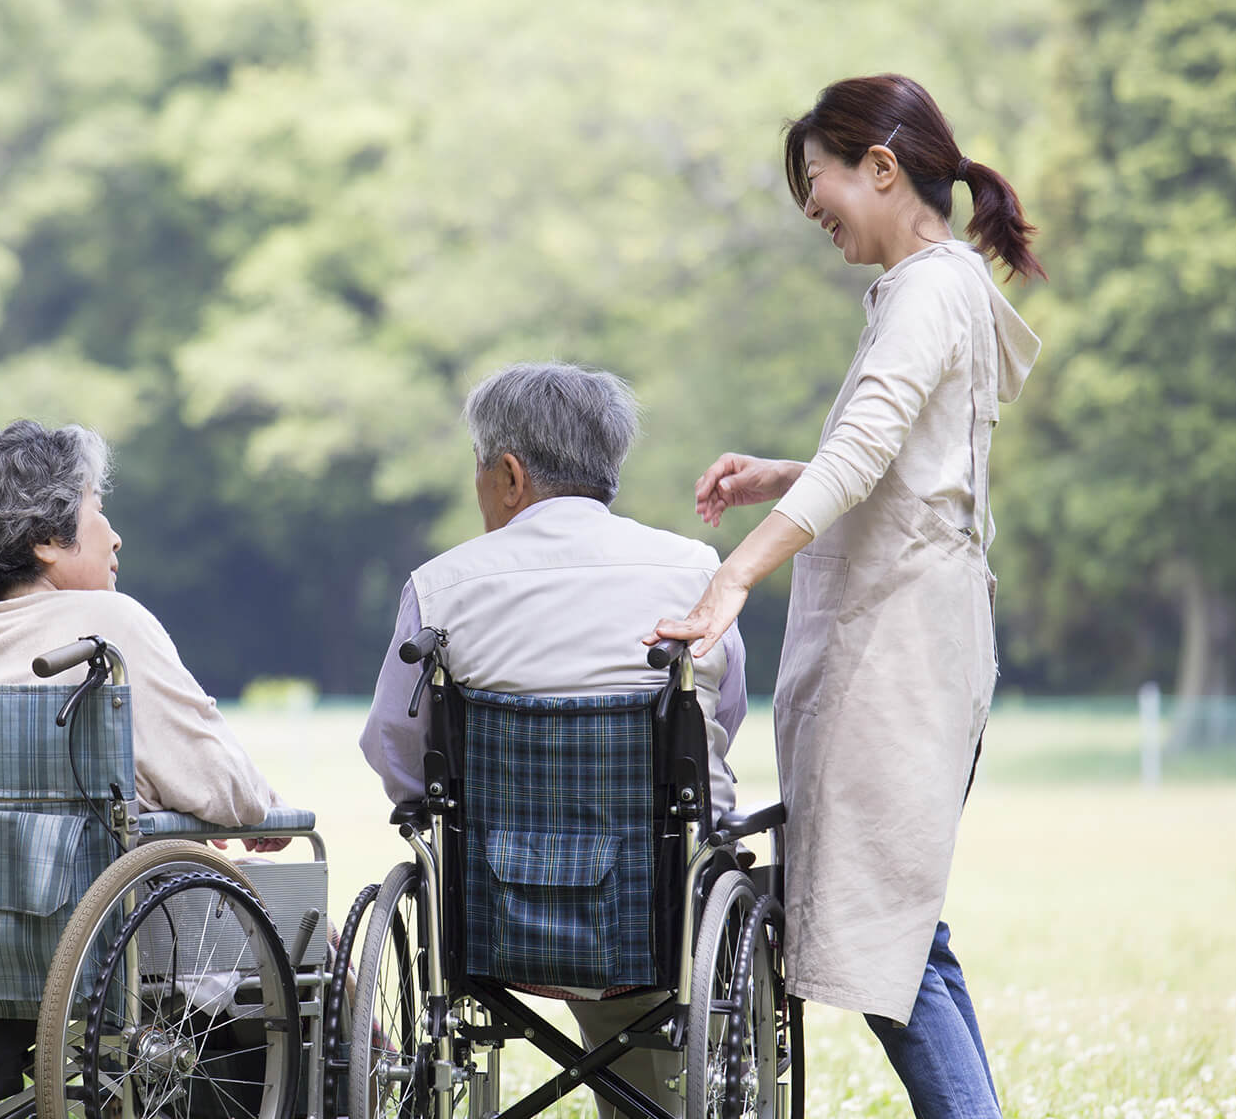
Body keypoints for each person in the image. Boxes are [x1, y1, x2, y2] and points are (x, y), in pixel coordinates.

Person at [648, 73, 1044, 1119]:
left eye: (816, 179)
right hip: (913, 642)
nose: (811, 205)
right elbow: (902, 460)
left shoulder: (926, 289)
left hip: (899, 657)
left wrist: (732, 574)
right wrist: (782, 472)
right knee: (907, 932)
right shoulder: (934, 285)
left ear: (878, 167)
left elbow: (869, 448)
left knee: (880, 935)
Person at [362, 360, 747, 1119]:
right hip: (657, 914)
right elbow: (716, 730)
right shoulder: (695, 571)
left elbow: (395, 748)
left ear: (508, 476)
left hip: (491, 917)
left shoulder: (442, 586)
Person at [0, 417, 290, 1099]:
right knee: (297, 915)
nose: (116, 535)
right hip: (97, 940)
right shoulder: (110, 627)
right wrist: (261, 809)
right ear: (47, 541)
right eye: (98, 510)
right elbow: (223, 789)